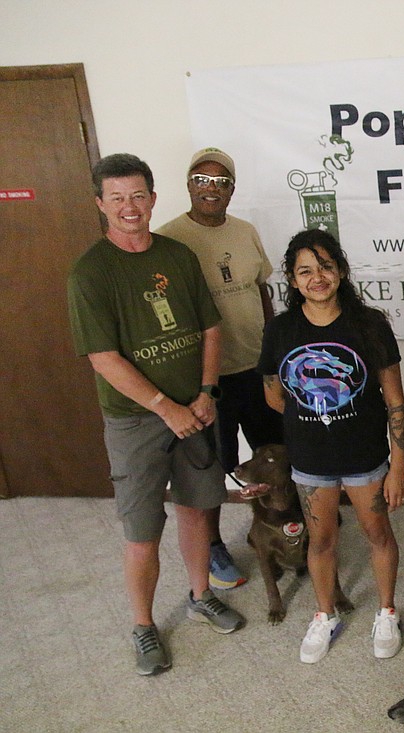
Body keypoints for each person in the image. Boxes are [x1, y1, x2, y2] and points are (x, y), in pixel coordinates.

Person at [67, 153, 245, 676]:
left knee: (195, 509)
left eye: (138, 195)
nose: (130, 207)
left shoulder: (177, 255)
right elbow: (104, 359)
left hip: (195, 407)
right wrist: (165, 408)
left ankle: (200, 595)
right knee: (142, 529)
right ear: (101, 204)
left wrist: (207, 392)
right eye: (117, 198)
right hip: (137, 420)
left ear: (153, 198)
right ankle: (144, 626)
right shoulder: (90, 272)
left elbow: (210, 329)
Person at [258, 228, 404, 663]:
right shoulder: (280, 330)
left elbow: (395, 402)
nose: (317, 277)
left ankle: (387, 610)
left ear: (341, 270)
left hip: (366, 457)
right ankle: (324, 614)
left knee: (377, 533)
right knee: (320, 540)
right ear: (291, 278)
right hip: (310, 461)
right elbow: (273, 393)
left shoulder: (371, 325)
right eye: (305, 270)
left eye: (325, 266)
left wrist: (397, 469)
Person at [157, 147, 283, 591]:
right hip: (205, 380)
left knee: (275, 451)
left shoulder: (245, 232)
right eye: (202, 179)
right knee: (212, 466)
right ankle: (212, 546)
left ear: (232, 188)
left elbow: (262, 291)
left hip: (256, 366)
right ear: (189, 184)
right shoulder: (169, 240)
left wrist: (275, 354)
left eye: (221, 181)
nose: (211, 188)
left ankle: (290, 523)